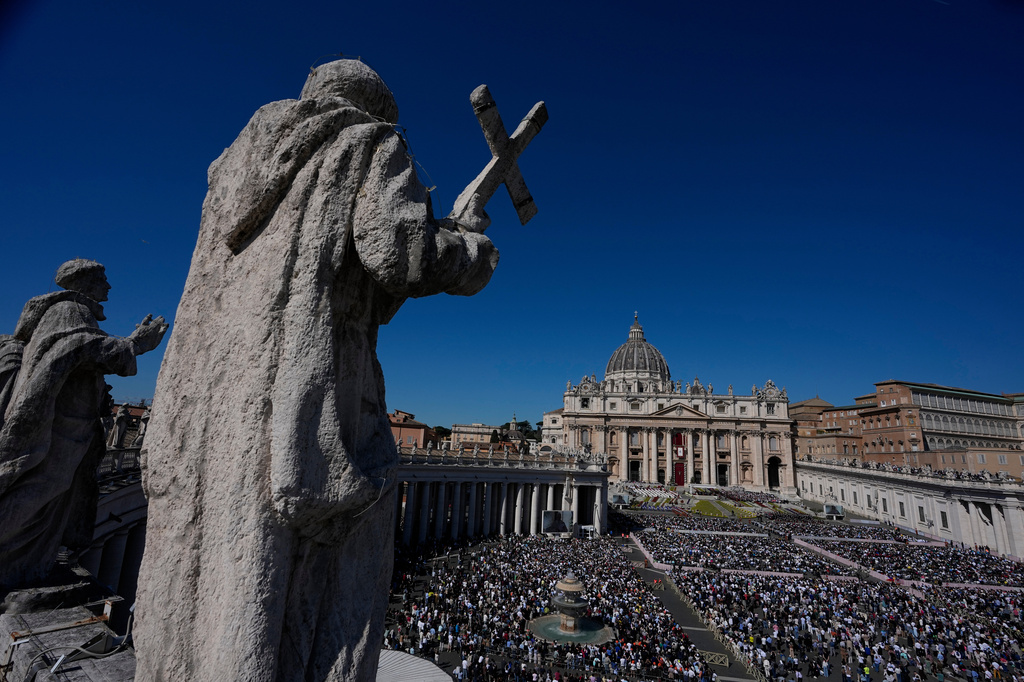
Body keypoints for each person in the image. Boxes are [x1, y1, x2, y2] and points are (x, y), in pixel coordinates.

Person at [134, 59, 502, 682]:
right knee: (309, 584)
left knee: (216, 574)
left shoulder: (234, 169)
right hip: (305, 403)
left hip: (210, 406)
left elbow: (354, 280)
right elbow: (399, 253)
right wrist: (469, 246)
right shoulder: (368, 140)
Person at [0, 259, 166, 588]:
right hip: (60, 427)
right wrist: (135, 345)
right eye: (103, 279)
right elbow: (76, 347)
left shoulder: (76, 312)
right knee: (40, 489)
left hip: (69, 425)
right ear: (84, 282)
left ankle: (28, 563)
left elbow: (81, 347)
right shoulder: (70, 309)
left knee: (49, 492)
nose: (109, 287)